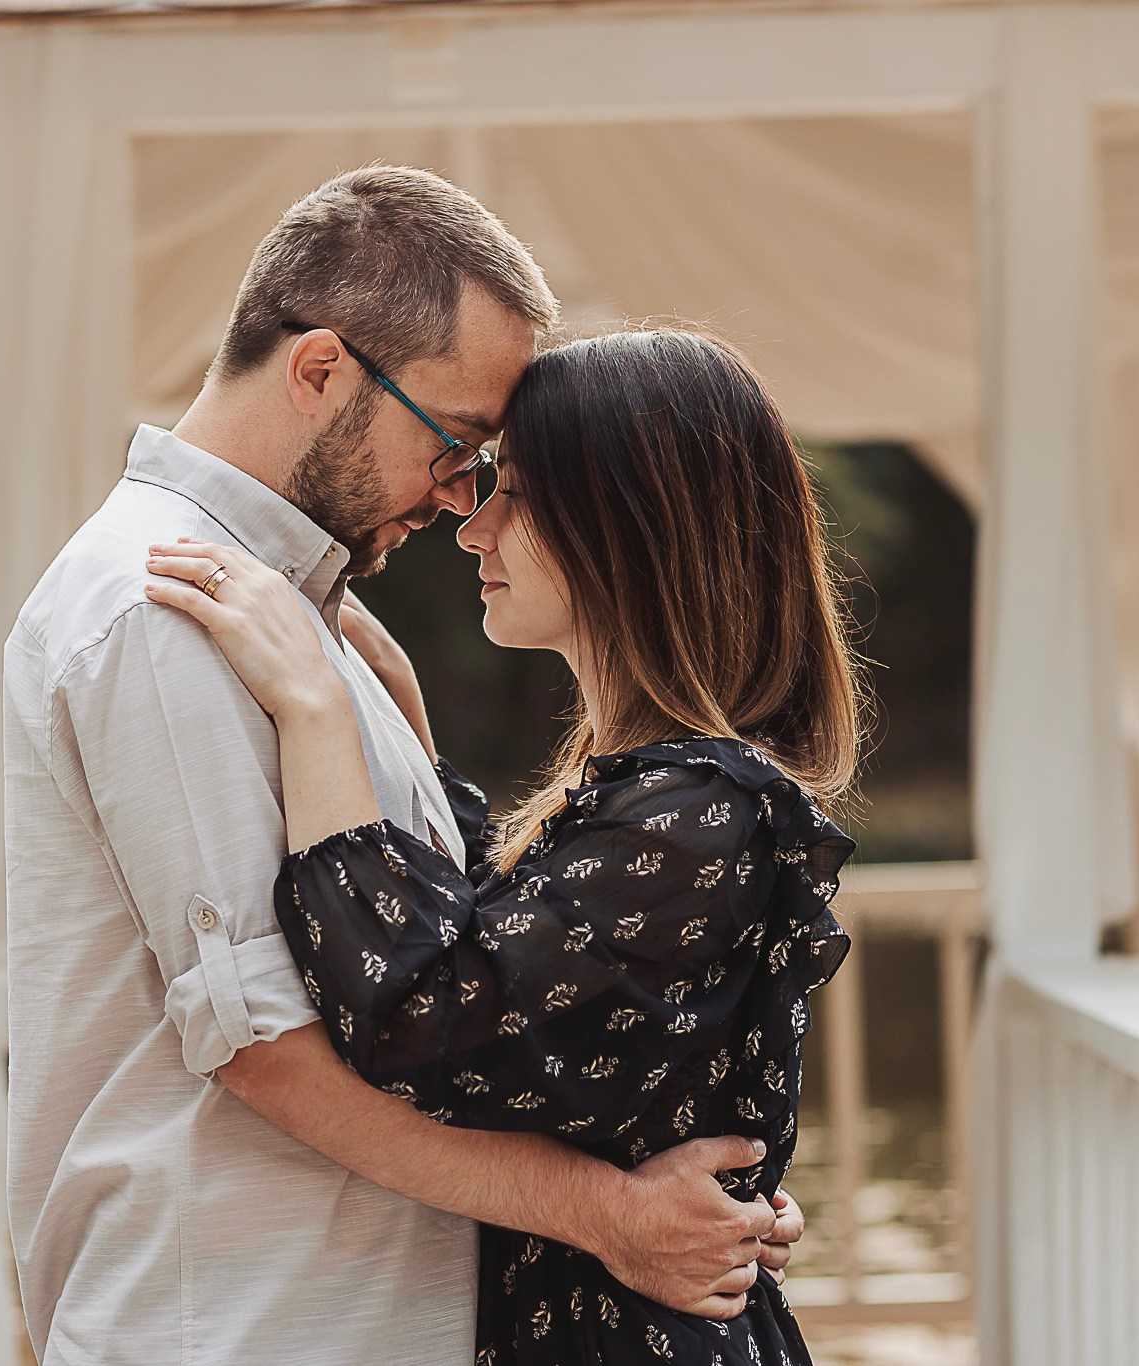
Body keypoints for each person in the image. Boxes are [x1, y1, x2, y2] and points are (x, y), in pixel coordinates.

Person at [3, 169, 801, 1366]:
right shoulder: (160, 611)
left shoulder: (293, 622)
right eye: (456, 441)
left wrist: (684, 1174)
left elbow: (489, 981)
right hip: (240, 1325)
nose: (459, 497)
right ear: (320, 370)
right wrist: (617, 1217)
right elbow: (271, 1050)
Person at [141, 326, 864, 1365]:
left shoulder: (700, 806)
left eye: (513, 492)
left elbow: (422, 1015)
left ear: (628, 524)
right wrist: (398, 722)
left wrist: (312, 709)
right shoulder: (662, 795)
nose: (472, 529)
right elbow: (518, 954)